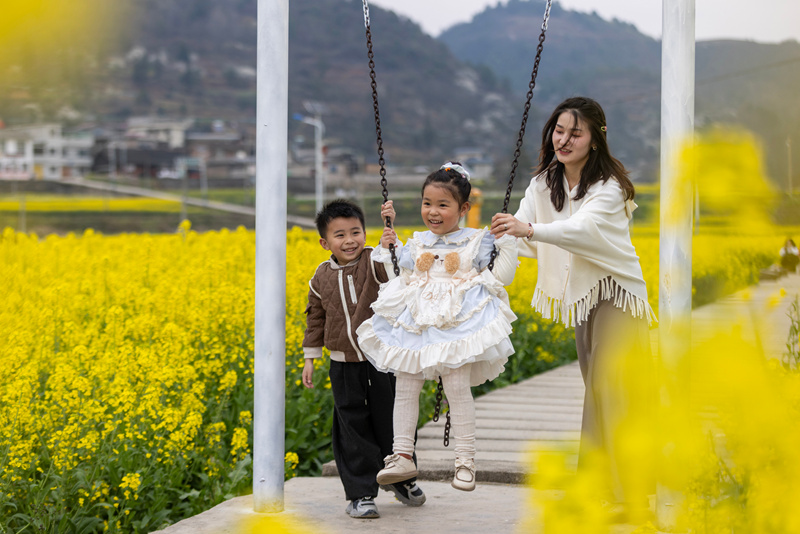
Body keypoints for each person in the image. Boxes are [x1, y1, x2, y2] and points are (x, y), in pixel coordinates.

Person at [490, 97, 656, 516]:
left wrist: (528, 228)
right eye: (559, 130)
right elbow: (522, 232)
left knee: (612, 389)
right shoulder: (544, 183)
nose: (563, 139)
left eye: (575, 133)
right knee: (598, 391)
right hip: (584, 298)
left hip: (617, 294)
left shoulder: (611, 187)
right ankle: (606, 490)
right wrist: (484, 246)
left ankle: (631, 497)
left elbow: (582, 230)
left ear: (595, 140)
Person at [356, 163, 518, 492]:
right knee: (405, 385)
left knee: (457, 388)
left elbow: (502, 276)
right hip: (417, 320)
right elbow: (396, 275)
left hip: (457, 318)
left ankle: (465, 461)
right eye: (427, 203)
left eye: (443, 205)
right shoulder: (415, 244)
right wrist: (389, 243)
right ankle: (401, 455)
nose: (433, 211)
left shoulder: (478, 240)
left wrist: (508, 241)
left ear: (464, 209)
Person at [302, 199, 426, 519]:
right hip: (343, 364)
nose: (350, 240)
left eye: (356, 232)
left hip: (381, 359)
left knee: (394, 421)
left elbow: (394, 271)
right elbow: (315, 318)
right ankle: (360, 493)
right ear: (324, 242)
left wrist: (390, 241)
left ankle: (402, 478)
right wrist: (310, 358)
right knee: (351, 427)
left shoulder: (373, 260)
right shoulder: (320, 276)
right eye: (340, 235)